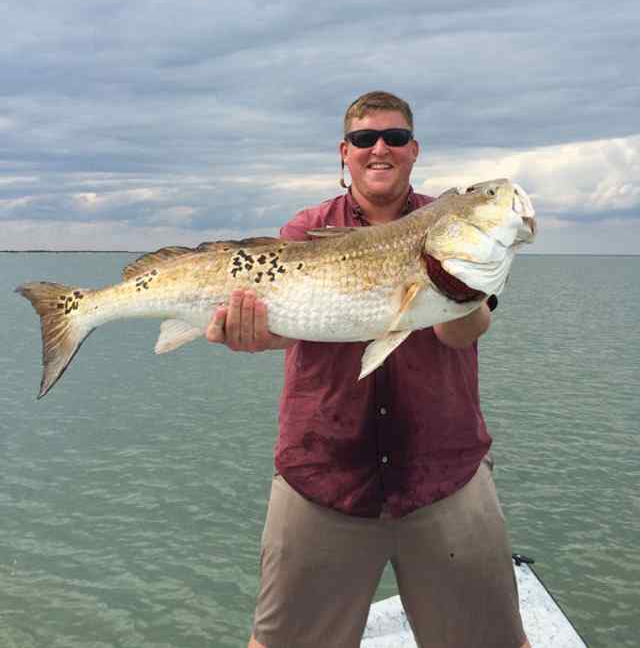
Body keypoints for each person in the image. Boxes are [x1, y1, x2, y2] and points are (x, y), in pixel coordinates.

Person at [207, 91, 530, 648]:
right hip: (322, 474)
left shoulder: (449, 224)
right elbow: (289, 327)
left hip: (444, 475)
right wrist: (250, 335)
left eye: (395, 138)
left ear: (414, 150)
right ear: (345, 152)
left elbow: (463, 332)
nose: (380, 148)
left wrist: (453, 289)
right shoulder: (306, 229)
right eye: (365, 139)